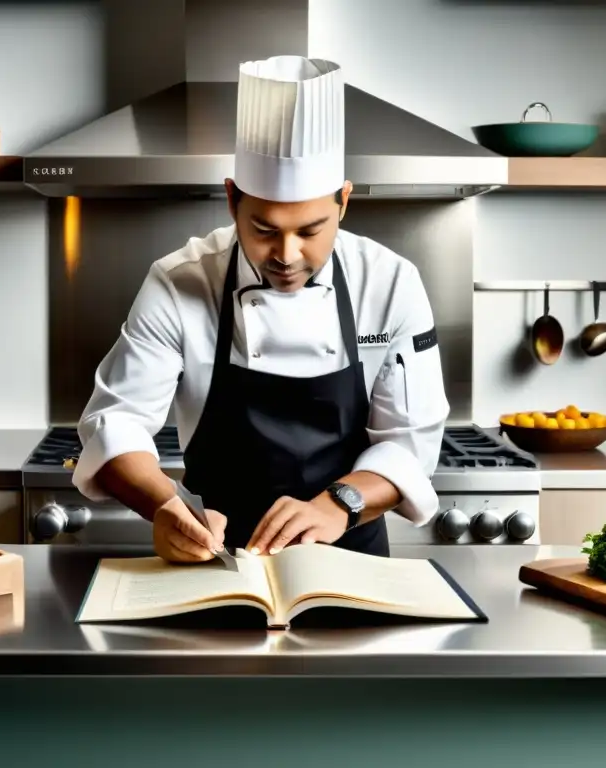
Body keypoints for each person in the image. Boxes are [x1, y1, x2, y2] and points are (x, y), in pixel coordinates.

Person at [73, 55, 449, 563]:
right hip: (215, 561)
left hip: (351, 560)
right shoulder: (181, 281)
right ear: (232, 200)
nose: (287, 255)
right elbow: (115, 423)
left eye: (311, 230)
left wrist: (340, 503)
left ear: (343, 201)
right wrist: (166, 506)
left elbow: (411, 441)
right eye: (264, 230)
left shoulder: (389, 283)